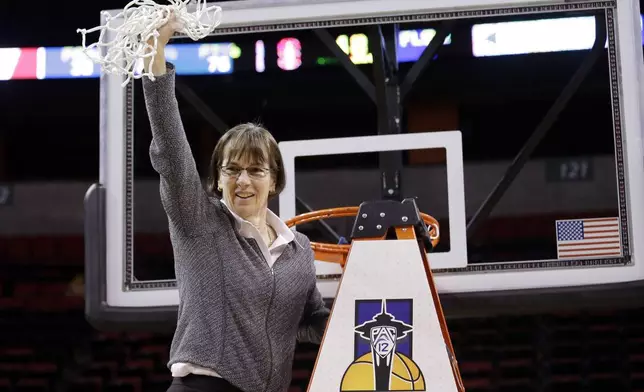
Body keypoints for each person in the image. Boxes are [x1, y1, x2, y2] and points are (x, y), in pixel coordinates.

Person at [141, 15, 330, 392]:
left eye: (256, 170)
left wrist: (367, 309)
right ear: (218, 178)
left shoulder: (299, 251)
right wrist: (154, 53)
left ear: (274, 180)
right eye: (232, 170)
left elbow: (309, 322)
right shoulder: (199, 222)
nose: (243, 180)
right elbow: (172, 153)